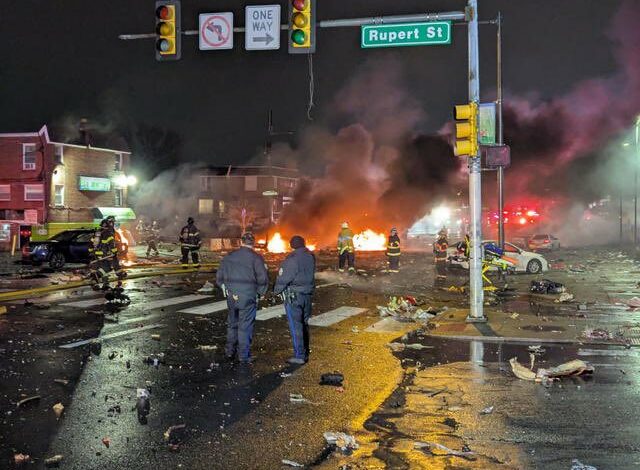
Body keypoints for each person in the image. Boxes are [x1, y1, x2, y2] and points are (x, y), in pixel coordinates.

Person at [215, 232, 269, 364]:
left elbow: (219, 277)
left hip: (232, 296)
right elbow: (263, 279)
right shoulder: (256, 258)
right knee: (245, 326)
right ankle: (243, 356)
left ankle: (229, 352)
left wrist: (224, 287)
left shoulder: (229, 256)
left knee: (232, 324)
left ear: (241, 242)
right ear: (254, 243)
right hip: (248, 296)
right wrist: (260, 293)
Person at [274, 235, 316, 365]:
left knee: (296, 325)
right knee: (304, 324)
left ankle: (300, 355)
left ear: (292, 245)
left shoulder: (292, 259)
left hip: (294, 297)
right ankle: (305, 350)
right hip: (307, 295)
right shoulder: (310, 256)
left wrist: (275, 291)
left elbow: (284, 278)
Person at [91, 216, 125, 289]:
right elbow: (111, 244)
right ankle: (97, 275)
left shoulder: (97, 232)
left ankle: (105, 283)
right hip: (104, 254)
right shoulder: (108, 233)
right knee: (106, 268)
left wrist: (92, 251)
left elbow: (92, 243)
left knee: (103, 268)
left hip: (97, 253)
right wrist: (115, 252)